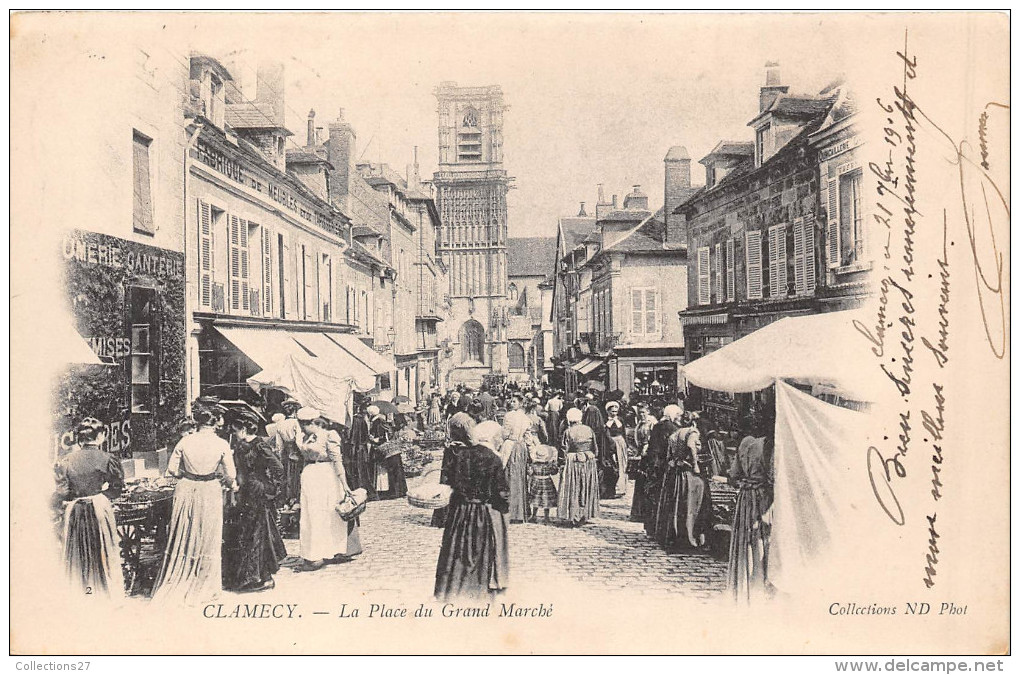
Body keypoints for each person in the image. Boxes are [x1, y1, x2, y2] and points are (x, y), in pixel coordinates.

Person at [152, 404, 237, 604]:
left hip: (186, 488)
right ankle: (205, 585)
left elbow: (172, 470)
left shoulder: (185, 440)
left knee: (186, 532)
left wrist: (187, 474)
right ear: (214, 422)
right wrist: (228, 483)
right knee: (208, 535)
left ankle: (181, 577)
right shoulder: (221, 444)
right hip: (209, 489)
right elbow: (230, 475)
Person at [434, 417, 510, 600]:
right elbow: (500, 492)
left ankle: (451, 590)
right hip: (481, 512)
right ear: (493, 438)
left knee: (456, 551)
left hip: (460, 511)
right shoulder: (493, 459)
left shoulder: (461, 455)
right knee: (478, 552)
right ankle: (476, 592)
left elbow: (449, 482)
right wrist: (502, 508)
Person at [54, 417, 125, 598]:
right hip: (99, 509)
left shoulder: (66, 460)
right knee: (101, 548)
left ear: (79, 438)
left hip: (75, 510)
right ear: (100, 436)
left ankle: (80, 592)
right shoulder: (108, 458)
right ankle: (102, 591)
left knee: (77, 551)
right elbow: (116, 488)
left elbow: (62, 492)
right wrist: (101, 497)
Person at [714, 411, 775, 603]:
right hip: (762, 497)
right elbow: (774, 477)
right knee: (762, 539)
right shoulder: (769, 444)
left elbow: (733, 475)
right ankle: (761, 586)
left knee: (745, 538)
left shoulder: (745, 443)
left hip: (745, 497)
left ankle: (744, 585)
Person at [222, 411, 286, 592]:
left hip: (258, 492)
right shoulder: (242, 445)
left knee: (259, 533)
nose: (233, 434)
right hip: (246, 492)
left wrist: (271, 488)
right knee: (248, 533)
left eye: (235, 431)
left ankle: (264, 577)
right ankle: (253, 576)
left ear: (243, 429)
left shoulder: (259, 445)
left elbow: (278, 467)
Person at [295, 408, 362, 572]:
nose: (302, 428)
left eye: (304, 425)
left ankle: (330, 552)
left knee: (327, 515)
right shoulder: (305, 437)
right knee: (311, 516)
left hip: (327, 477)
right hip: (311, 477)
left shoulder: (329, 435)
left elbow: (337, 461)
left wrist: (345, 485)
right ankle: (313, 553)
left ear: (313, 422)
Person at [655, 410, 712, 551]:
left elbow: (669, 455)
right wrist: (696, 465)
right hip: (689, 474)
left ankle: (675, 535)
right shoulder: (692, 432)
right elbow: (691, 446)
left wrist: (675, 462)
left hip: (676, 474)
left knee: (677, 504)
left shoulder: (675, 433)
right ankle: (691, 537)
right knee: (693, 504)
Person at [642, 404, 681, 537]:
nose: (679, 418)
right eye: (678, 415)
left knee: (653, 496)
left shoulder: (658, 425)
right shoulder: (671, 428)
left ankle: (651, 528)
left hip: (654, 463)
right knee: (664, 496)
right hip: (664, 465)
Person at [430, 413, 475, 528]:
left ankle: (445, 517)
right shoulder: (465, 427)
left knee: (447, 488)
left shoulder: (451, 432)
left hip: (450, 463)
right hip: (460, 464)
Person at [557, 407, 601, 526]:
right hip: (588, 460)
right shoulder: (589, 429)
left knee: (574, 486)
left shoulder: (568, 431)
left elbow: (563, 449)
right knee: (586, 486)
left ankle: (573, 514)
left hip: (573, 461)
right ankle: (584, 514)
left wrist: (561, 463)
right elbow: (595, 447)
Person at [369, 406, 407, 500]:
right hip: (392, 448)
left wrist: (372, 439)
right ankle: (400, 491)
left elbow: (381, 437)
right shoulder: (382, 420)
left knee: (390, 470)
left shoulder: (377, 422)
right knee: (397, 469)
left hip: (386, 449)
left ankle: (394, 492)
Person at [500, 411, 531, 524]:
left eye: (514, 401)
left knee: (510, 478)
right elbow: (528, 437)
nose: (512, 403)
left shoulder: (509, 417)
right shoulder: (525, 418)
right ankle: (520, 513)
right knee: (519, 478)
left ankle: (510, 512)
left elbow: (504, 434)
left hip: (511, 447)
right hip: (521, 448)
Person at [629, 403, 658, 522]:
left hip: (648, 455)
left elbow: (653, 439)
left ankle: (646, 512)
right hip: (641, 454)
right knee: (640, 483)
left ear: (648, 412)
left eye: (643, 412)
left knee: (647, 482)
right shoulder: (640, 424)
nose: (641, 415)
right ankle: (638, 512)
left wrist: (646, 449)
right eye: (640, 413)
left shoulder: (652, 424)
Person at [273, 399, 303, 508]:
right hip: (296, 452)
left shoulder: (281, 424)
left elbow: (279, 445)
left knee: (288, 475)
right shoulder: (296, 423)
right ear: (295, 411)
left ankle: (288, 499)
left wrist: (281, 456)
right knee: (296, 476)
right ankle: (295, 499)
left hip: (286, 453)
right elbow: (299, 442)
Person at [525, 426, 558, 525]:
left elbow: (530, 472)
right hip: (547, 482)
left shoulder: (534, 465)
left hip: (536, 482)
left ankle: (534, 515)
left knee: (536, 499)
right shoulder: (548, 465)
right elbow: (554, 472)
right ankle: (546, 517)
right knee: (546, 500)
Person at [348, 404, 376, 500]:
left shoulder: (356, 420)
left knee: (359, 471)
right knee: (363, 471)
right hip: (362, 448)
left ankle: (361, 492)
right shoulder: (362, 420)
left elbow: (354, 437)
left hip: (357, 450)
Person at [604, 401, 628, 498]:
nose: (614, 413)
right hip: (611, 443)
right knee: (614, 465)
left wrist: (626, 444)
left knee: (622, 464)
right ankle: (612, 488)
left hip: (620, 442)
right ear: (608, 411)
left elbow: (624, 432)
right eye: (612, 411)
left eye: (615, 411)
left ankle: (622, 487)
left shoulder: (620, 420)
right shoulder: (606, 421)